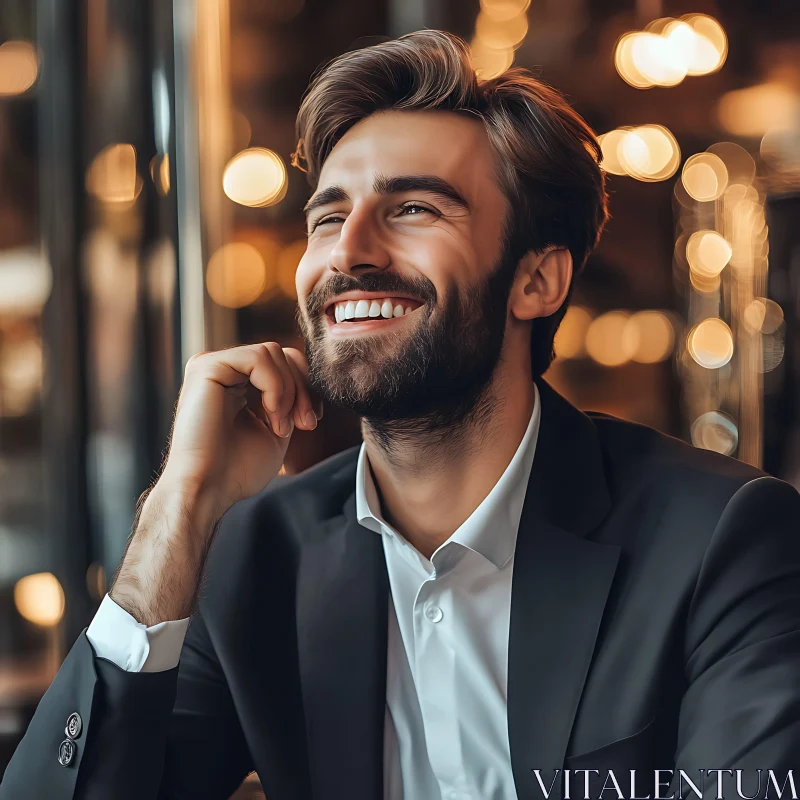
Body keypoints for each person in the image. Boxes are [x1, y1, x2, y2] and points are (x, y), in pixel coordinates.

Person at [3, 29, 799, 800]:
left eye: (414, 208)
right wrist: (176, 509)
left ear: (537, 282)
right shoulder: (255, 556)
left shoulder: (722, 539)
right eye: (326, 216)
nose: (349, 251)